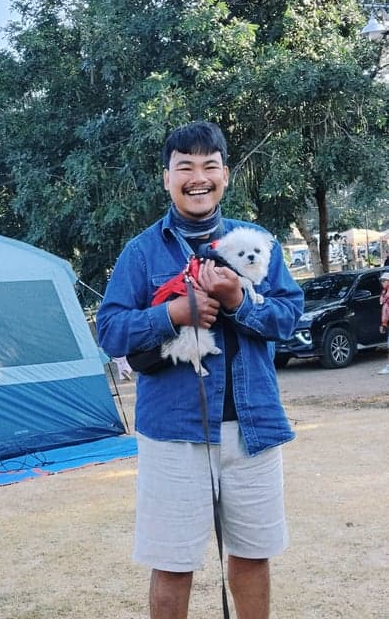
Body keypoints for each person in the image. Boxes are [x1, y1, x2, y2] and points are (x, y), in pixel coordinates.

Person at [97, 121, 304, 619]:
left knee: (253, 556)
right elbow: (109, 330)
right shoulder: (141, 251)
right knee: (172, 564)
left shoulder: (257, 241)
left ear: (225, 176)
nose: (197, 177)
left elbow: (288, 315)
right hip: (173, 433)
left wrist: (237, 301)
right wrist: (171, 314)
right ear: (166, 177)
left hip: (252, 428)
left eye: (209, 166)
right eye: (184, 166)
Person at [378, 272, 389, 375]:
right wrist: (384, 324)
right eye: (381, 281)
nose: (382, 282)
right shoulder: (384, 294)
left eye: (384, 280)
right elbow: (385, 311)